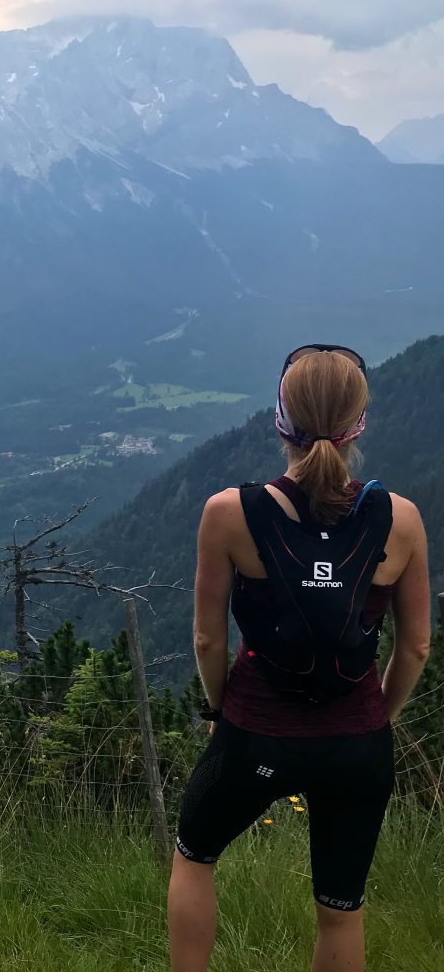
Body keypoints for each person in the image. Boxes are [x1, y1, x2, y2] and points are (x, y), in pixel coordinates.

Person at [167, 345, 431, 972]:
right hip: (357, 745)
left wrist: (216, 706)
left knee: (194, 857)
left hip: (254, 734)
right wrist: (376, 714)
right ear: (358, 424)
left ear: (280, 419)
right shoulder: (402, 520)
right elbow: (417, 645)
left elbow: (208, 639)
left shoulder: (230, 512)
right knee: (342, 909)